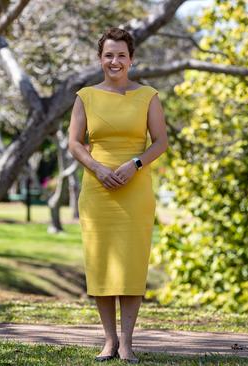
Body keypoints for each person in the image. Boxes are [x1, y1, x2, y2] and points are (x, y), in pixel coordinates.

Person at [68, 27, 168, 364]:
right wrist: (97, 168)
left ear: (131, 59)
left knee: (130, 266)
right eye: (109, 55)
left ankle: (127, 343)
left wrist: (135, 164)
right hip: (97, 191)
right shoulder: (85, 96)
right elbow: (75, 143)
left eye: (121, 55)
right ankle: (108, 341)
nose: (115, 61)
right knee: (100, 265)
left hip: (135, 191)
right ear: (100, 59)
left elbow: (160, 142)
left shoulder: (148, 96)